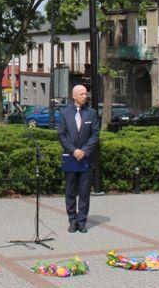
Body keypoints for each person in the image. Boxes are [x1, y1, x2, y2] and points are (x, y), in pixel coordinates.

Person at [57, 84, 100, 233]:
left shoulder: (92, 113)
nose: (85, 96)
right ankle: (72, 220)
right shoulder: (64, 113)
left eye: (86, 94)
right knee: (70, 191)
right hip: (70, 157)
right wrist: (73, 150)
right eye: (81, 94)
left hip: (86, 158)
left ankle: (82, 221)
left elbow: (95, 134)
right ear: (73, 96)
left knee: (84, 191)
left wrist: (84, 150)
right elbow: (61, 135)